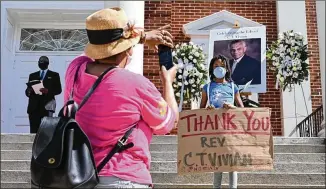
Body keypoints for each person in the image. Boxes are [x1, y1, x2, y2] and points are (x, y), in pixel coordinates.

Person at [63, 8, 179, 188]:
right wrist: (167, 82)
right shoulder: (136, 84)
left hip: (79, 176)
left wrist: (139, 37)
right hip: (124, 177)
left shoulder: (75, 70)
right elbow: (168, 123)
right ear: (129, 50)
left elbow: (85, 56)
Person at [200, 55, 244, 189]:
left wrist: (232, 107)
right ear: (211, 69)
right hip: (215, 130)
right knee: (217, 162)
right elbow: (200, 110)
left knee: (232, 162)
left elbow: (242, 110)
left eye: (222, 66)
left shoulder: (233, 86)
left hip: (231, 129)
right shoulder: (207, 87)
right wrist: (208, 109)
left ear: (226, 69)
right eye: (216, 66)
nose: (219, 68)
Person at [25, 56, 62, 133]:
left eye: (43, 62)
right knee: (33, 131)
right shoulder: (32, 75)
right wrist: (29, 91)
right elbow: (27, 91)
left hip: (47, 106)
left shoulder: (54, 75)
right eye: (40, 62)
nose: (41, 63)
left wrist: (48, 91)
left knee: (46, 130)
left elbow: (58, 90)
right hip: (34, 106)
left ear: (47, 63)